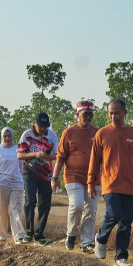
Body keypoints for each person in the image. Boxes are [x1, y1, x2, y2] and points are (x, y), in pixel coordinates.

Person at [88, 100, 133, 266]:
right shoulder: (102, 134)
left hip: (130, 185)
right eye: (110, 113)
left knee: (126, 222)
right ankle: (101, 238)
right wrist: (90, 183)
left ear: (125, 112)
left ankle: (121, 257)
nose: (113, 116)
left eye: (117, 113)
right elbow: (94, 161)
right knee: (114, 214)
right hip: (110, 183)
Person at [52, 100, 100, 252]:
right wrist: (55, 178)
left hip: (94, 178)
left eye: (90, 114)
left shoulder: (98, 133)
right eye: (84, 114)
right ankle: (71, 234)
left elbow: (103, 157)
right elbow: (60, 157)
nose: (87, 117)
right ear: (77, 115)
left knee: (91, 210)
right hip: (73, 176)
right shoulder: (69, 132)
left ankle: (86, 242)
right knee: (77, 205)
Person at [17, 112, 59, 245]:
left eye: (45, 127)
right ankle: (29, 232)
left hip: (46, 173)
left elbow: (57, 155)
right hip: (29, 171)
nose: (43, 129)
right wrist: (35, 153)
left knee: (45, 203)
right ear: (35, 123)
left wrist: (49, 156)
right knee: (30, 201)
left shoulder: (52, 135)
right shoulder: (27, 134)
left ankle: (39, 233)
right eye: (40, 126)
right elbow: (19, 155)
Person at [0, 127, 27, 244]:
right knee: (1, 210)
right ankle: (1, 235)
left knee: (16, 209)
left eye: (9, 136)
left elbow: (21, 166)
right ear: (1, 137)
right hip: (2, 183)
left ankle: (19, 236)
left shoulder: (17, 149)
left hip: (16, 183)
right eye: (5, 136)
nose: (7, 138)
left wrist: (18, 177)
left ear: (13, 137)